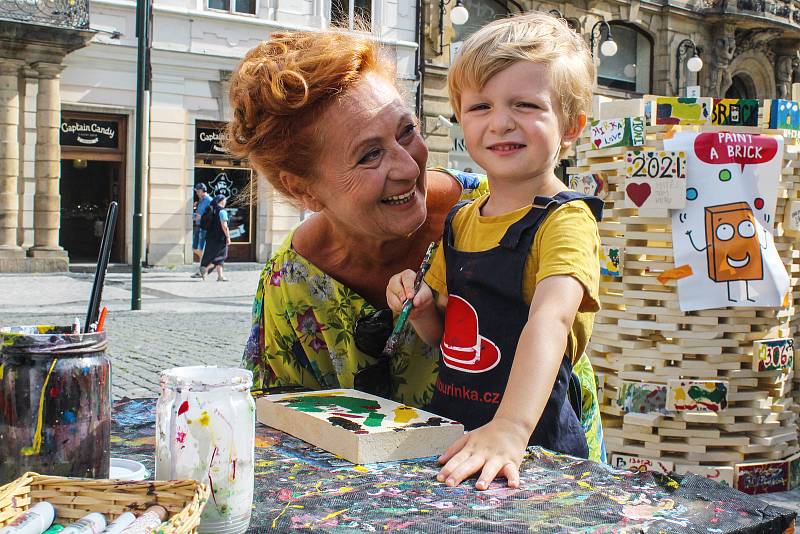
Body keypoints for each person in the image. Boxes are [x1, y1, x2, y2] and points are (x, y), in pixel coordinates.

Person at [232, 29, 603, 471]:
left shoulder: (514, 206)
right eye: (369, 155)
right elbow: (278, 431)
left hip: (531, 462)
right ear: (302, 188)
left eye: (407, 131)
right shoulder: (292, 286)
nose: (410, 167)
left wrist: (511, 428)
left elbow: (553, 322)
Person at [386, 12, 603, 490]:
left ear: (571, 126)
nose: (501, 122)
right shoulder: (462, 220)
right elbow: (449, 342)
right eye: (481, 106)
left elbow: (552, 320)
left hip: (533, 449)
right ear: (461, 118)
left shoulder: (565, 221)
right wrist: (419, 309)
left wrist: (510, 429)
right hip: (459, 437)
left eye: (525, 105)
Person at [193, 194, 231, 281]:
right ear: (221, 201)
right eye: (225, 200)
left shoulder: (212, 209)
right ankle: (205, 268)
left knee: (218, 257)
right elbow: (224, 226)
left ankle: (220, 276)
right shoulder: (222, 211)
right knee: (221, 256)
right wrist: (228, 237)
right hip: (220, 238)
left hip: (210, 237)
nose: (225, 202)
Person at [192, 183, 212, 260]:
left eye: (198, 191)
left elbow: (211, 215)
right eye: (196, 191)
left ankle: (204, 266)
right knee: (195, 248)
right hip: (198, 226)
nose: (196, 193)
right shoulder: (200, 200)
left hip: (204, 227)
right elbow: (198, 213)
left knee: (201, 248)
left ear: (203, 191)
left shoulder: (209, 200)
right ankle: (204, 265)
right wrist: (194, 208)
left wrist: (201, 217)